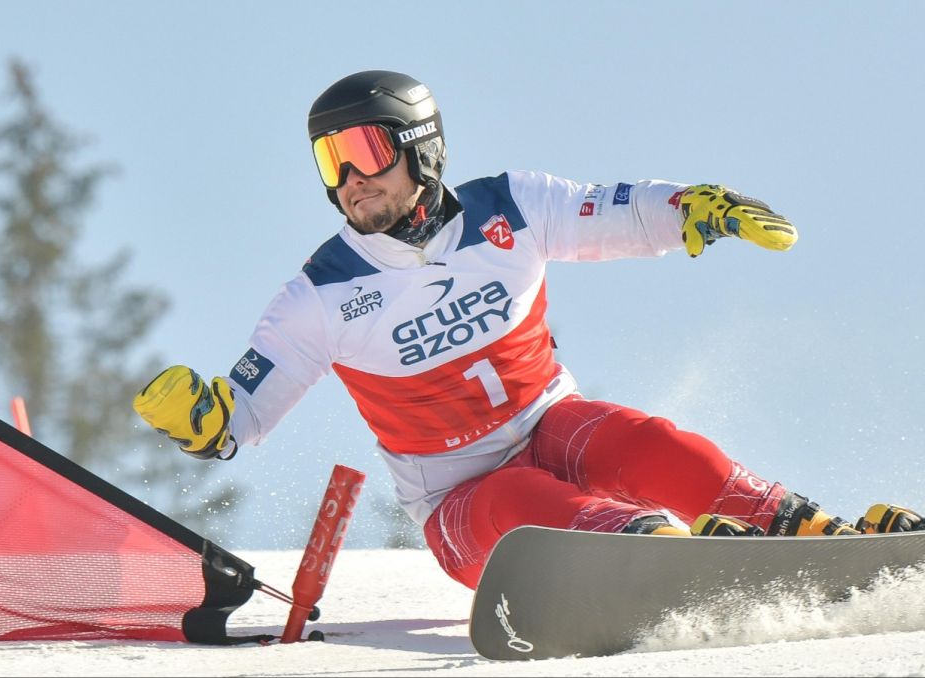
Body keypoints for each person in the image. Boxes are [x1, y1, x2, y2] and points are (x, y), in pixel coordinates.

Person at [132, 70, 923, 589]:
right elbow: (242, 415)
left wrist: (693, 207)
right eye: (329, 161)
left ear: (420, 148)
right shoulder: (322, 293)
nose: (349, 179)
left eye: (365, 150)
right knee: (518, 494)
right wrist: (206, 422)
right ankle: (661, 558)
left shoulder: (508, 207)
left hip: (553, 426)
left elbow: (615, 211)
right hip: (461, 505)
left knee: (642, 440)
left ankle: (809, 529)